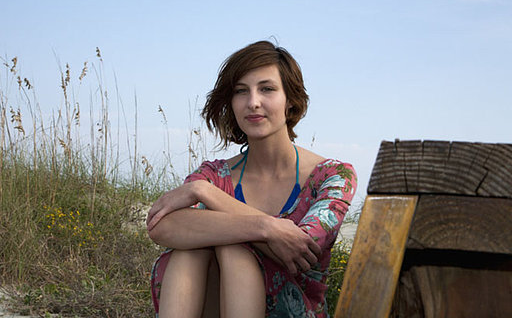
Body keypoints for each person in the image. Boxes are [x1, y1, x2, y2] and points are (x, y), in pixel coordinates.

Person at [147, 40, 357, 318]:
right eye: (240, 91)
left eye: (267, 89)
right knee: (190, 251)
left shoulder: (333, 176)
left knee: (231, 246)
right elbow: (161, 225)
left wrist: (207, 195)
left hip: (293, 311)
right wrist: (266, 227)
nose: (253, 102)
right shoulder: (213, 176)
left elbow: (300, 247)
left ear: (291, 100)